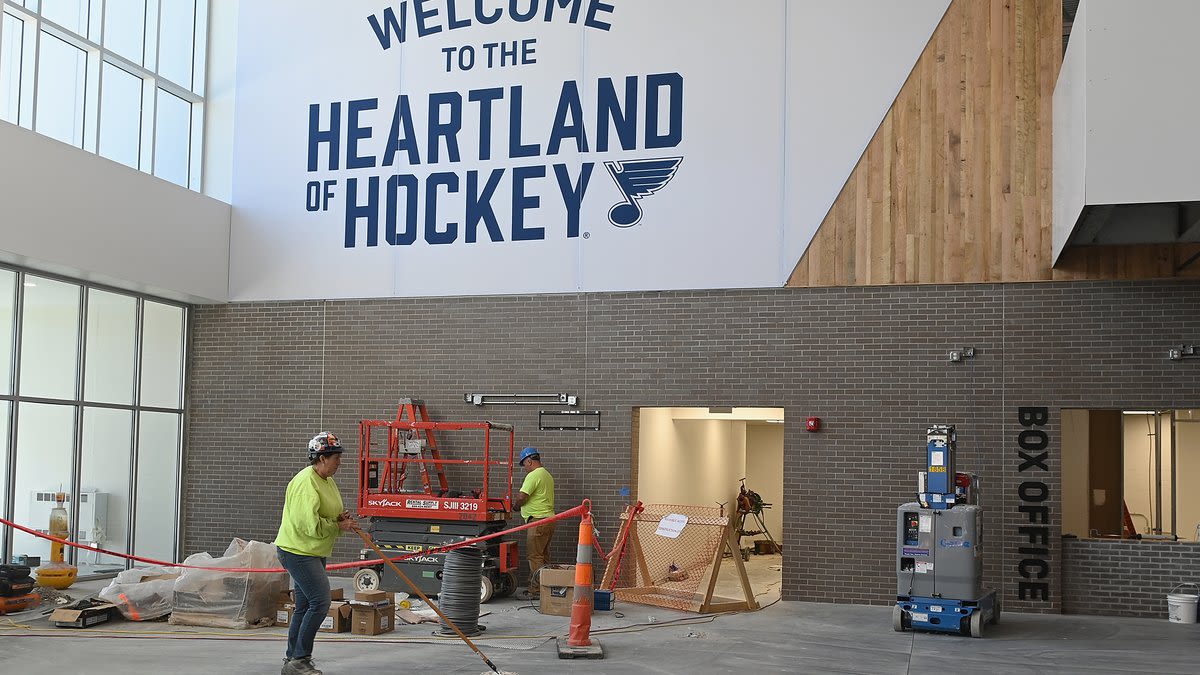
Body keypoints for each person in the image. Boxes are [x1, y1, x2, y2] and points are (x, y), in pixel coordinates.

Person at [274, 432, 356, 675]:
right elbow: (308, 526)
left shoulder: (326, 480)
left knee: (305, 605)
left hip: (313, 550)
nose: (339, 462)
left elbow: (326, 513)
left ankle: (293, 661)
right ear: (321, 458)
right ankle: (299, 659)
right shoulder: (305, 484)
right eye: (335, 458)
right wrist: (338, 526)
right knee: (320, 602)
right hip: (297, 551)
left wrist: (340, 518)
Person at [513, 446, 555, 600]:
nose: (524, 467)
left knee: (535, 557)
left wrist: (516, 507)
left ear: (529, 460)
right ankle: (545, 588)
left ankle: (535, 591)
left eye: (524, 464)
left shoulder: (533, 475)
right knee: (543, 556)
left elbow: (521, 496)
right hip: (548, 520)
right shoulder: (547, 475)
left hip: (538, 521)